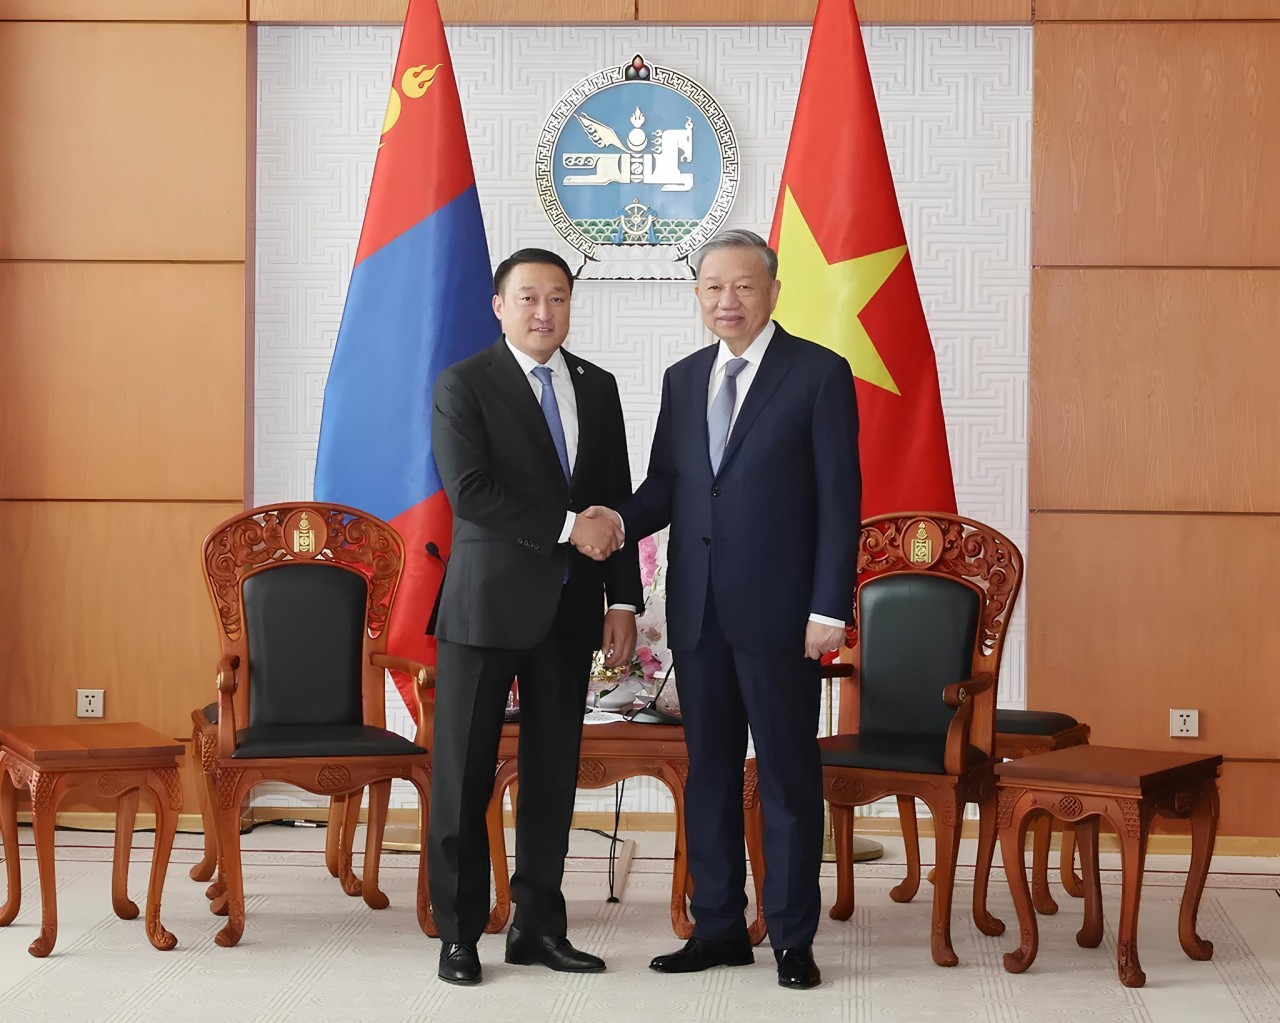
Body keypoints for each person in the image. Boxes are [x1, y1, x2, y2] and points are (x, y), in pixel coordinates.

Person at [588, 229, 860, 989]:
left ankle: (792, 936)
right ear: (698, 295)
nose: (727, 300)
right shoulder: (682, 379)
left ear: (773, 292)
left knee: (786, 776)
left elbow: (842, 504)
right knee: (707, 773)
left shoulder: (818, 373)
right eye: (713, 287)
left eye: (743, 286)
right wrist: (612, 521)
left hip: (783, 617)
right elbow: (668, 487)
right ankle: (717, 926)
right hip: (699, 613)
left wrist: (827, 608)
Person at [428, 248, 641, 985]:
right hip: (483, 609)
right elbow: (470, 491)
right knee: (463, 776)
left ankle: (538, 927)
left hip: (571, 610)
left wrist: (623, 598)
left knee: (553, 776)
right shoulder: (464, 384)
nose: (544, 311)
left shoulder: (599, 386)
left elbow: (613, 500)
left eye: (557, 297)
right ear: (499, 305)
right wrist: (564, 526)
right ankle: (459, 933)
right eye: (528, 298)